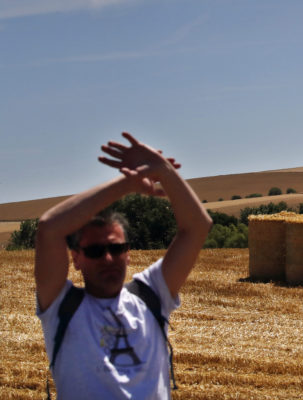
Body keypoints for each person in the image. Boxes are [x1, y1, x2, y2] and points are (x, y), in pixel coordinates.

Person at [35, 132, 212, 399]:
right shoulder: (61, 307)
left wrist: (163, 169)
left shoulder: (152, 294)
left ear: (128, 254)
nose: (108, 258)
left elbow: (197, 226)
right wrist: (128, 184)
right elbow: (49, 228)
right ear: (76, 259)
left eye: (116, 249)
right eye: (95, 251)